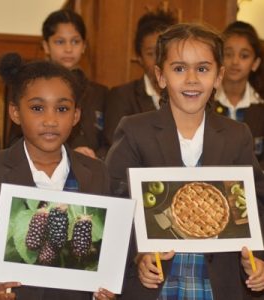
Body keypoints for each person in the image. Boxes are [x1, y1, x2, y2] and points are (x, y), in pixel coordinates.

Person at [106, 23, 264, 299]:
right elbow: (115, 202)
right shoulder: (135, 129)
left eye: (202, 69)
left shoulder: (237, 135)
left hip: (216, 279)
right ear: (160, 76)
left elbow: (254, 202)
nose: (191, 79)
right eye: (179, 69)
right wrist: (138, 256)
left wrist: (257, 257)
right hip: (157, 280)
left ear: (218, 76)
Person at [0, 53, 115, 300]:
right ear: (15, 112)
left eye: (62, 109)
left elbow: (106, 252)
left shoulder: (97, 172)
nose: (50, 120)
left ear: (76, 115)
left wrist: (103, 290)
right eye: (37, 108)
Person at [6, 9, 108, 160]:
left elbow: (109, 142)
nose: (68, 49)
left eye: (75, 41)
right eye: (60, 42)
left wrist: (93, 156)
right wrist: (69, 154)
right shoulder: (27, 87)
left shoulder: (101, 92)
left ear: (84, 46)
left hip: (89, 169)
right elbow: (15, 140)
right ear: (46, 46)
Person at [103, 9, 176, 147]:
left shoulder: (188, 94)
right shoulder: (122, 97)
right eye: (151, 53)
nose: (159, 60)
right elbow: (118, 146)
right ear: (139, 58)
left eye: (164, 52)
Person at [214, 21, 264, 168]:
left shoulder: (261, 106)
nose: (235, 62)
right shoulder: (203, 102)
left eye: (244, 56)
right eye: (228, 54)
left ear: (255, 63)